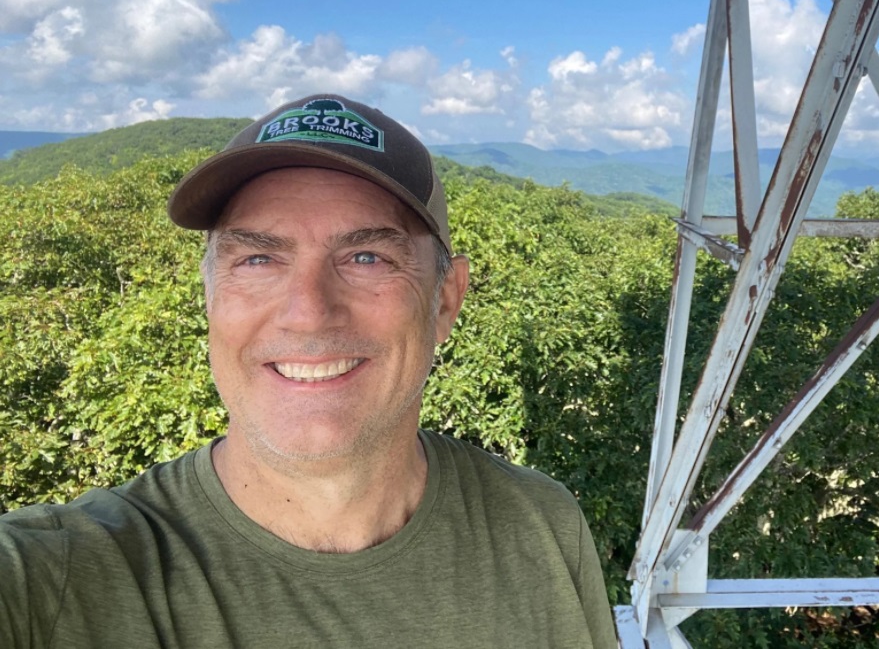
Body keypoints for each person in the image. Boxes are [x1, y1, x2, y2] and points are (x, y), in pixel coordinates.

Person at [0, 94, 619, 649]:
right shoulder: (54, 578)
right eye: (260, 257)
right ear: (211, 297)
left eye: (367, 256)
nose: (308, 313)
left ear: (445, 300)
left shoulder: (544, 525)